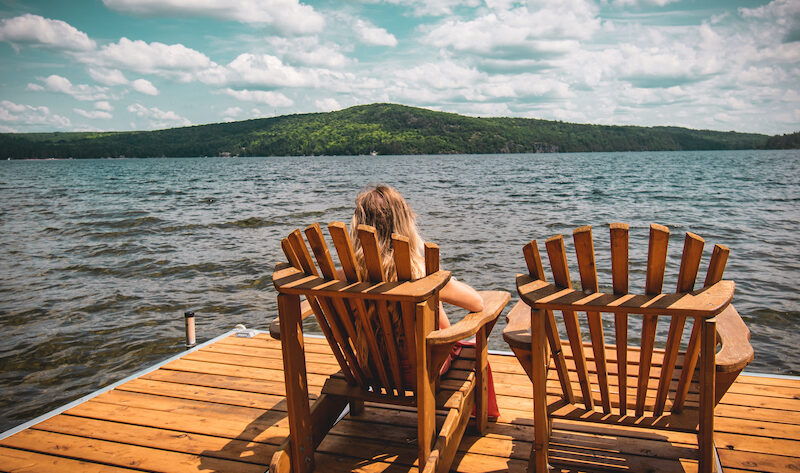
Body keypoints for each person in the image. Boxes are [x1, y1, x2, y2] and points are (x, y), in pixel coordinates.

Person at [349, 184, 499, 418]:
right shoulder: (422, 273)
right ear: (405, 222)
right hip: (416, 371)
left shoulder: (346, 276)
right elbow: (476, 304)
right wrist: (442, 284)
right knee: (469, 350)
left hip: (367, 367)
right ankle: (475, 422)